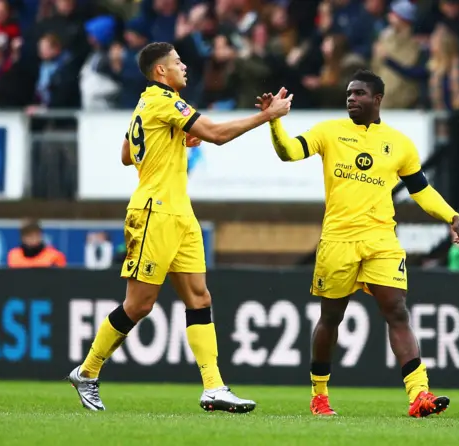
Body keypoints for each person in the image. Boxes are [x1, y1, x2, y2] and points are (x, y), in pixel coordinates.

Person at [68, 41, 293, 413]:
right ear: (161, 71)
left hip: (179, 212)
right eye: (177, 62)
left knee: (199, 298)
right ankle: (87, 372)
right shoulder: (163, 100)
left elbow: (127, 155)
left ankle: (214, 388)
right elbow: (217, 136)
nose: (184, 66)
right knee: (139, 305)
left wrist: (172, 138)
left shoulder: (148, 103)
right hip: (155, 211)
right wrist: (268, 116)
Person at [258, 69, 459, 418]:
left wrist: (452, 216)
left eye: (358, 93)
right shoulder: (329, 132)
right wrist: (274, 123)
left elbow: (421, 190)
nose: (351, 99)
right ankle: (319, 395)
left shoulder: (399, 143)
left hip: (381, 239)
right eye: (348, 94)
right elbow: (289, 153)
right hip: (338, 240)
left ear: (377, 99)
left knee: (397, 310)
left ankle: (419, 395)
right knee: (331, 318)